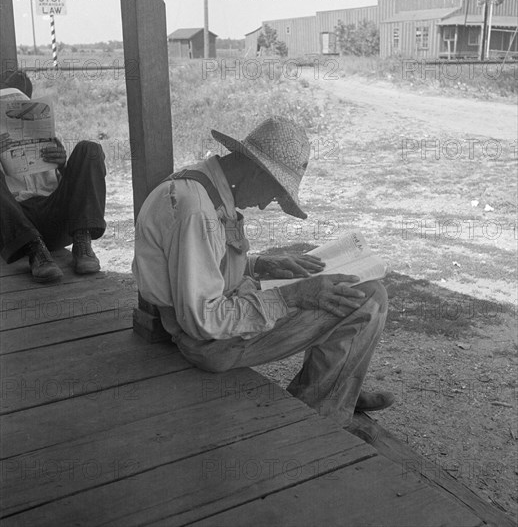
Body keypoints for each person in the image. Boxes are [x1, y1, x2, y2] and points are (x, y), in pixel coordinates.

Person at [132, 116, 393, 430]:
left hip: (213, 322)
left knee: (356, 290)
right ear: (257, 169)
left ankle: (338, 389)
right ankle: (317, 420)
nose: (268, 203)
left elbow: (201, 264)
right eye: (276, 191)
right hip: (208, 343)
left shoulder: (203, 184)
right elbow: (204, 321)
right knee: (367, 300)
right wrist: (292, 294)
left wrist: (261, 265)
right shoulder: (197, 213)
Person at [0, 69, 106, 283]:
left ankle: (82, 243)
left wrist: (63, 166)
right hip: (17, 227)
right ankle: (35, 251)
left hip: (56, 219)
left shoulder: (46, 134)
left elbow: (73, 189)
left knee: (90, 149)